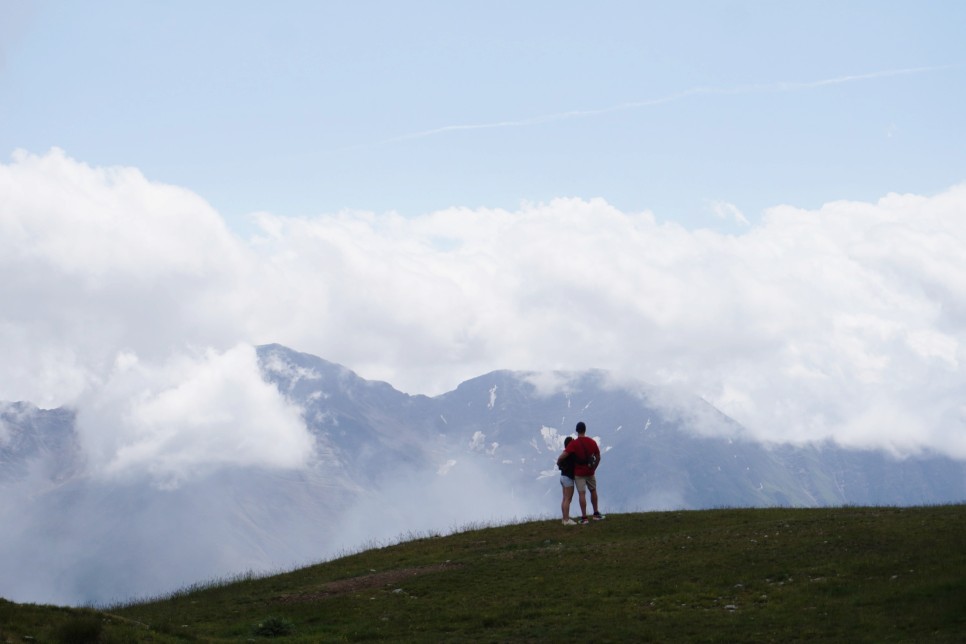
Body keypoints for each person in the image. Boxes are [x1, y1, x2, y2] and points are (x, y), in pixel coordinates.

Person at [559, 421, 604, 523]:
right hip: (590, 471)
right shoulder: (592, 442)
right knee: (593, 490)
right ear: (585, 430)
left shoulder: (574, 444)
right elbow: (598, 457)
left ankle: (584, 518)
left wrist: (558, 462)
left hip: (579, 473)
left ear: (576, 430)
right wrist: (594, 468)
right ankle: (596, 514)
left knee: (581, 494)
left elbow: (564, 454)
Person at [557, 436, 577, 525]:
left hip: (562, 477)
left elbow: (560, 462)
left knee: (564, 498)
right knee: (568, 499)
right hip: (568, 478)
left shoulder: (564, 454)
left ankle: (564, 518)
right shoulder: (571, 455)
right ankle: (566, 519)